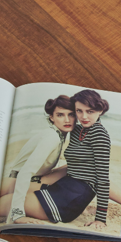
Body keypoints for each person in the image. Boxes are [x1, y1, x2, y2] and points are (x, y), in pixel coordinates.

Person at [0, 95, 74, 224]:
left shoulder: (59, 134)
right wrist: (18, 214)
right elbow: (25, 172)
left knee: (74, 167)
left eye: (71, 114)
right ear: (52, 117)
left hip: (31, 179)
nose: (67, 120)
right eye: (60, 115)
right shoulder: (52, 137)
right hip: (17, 182)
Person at [47, 89, 113, 232]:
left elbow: (103, 179)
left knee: (9, 201)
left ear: (100, 111)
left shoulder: (99, 135)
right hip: (66, 185)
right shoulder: (77, 130)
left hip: (76, 195)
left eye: (90, 111)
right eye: (79, 111)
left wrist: (100, 218)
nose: (84, 117)